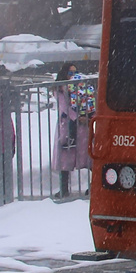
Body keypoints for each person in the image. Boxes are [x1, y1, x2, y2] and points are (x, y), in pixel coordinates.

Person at [53, 62, 94, 199]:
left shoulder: (82, 87)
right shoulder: (60, 89)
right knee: (65, 157)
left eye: (75, 72)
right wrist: (77, 118)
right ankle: (64, 189)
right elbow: (63, 106)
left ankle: (94, 185)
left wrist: (87, 116)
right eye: (70, 73)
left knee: (88, 155)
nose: (73, 76)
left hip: (82, 127)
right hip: (67, 126)